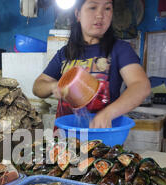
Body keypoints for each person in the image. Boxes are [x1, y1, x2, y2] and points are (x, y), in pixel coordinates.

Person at [33, 0, 151, 128]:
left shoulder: (120, 49)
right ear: (78, 14)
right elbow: (38, 87)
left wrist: (108, 113)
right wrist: (54, 86)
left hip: (101, 139)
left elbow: (141, 86)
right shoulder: (65, 53)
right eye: (93, 7)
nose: (100, 15)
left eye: (107, 8)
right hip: (66, 137)